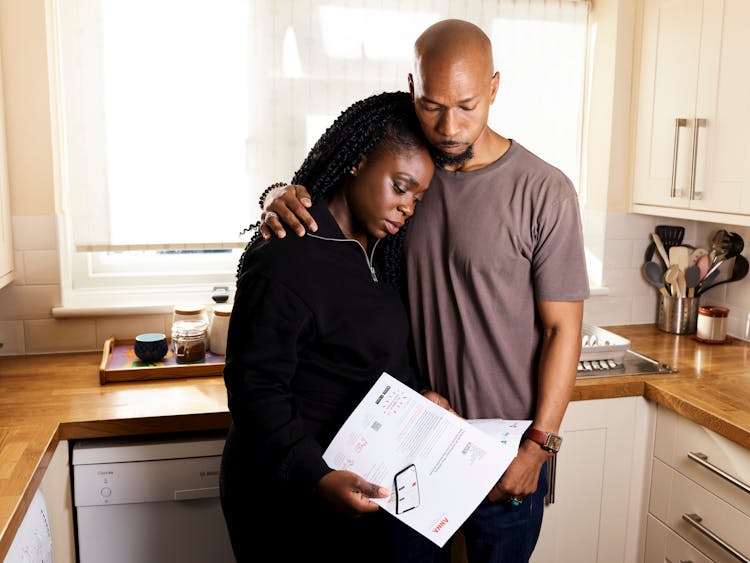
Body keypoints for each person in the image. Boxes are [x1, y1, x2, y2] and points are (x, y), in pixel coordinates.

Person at [259, 19, 589, 563]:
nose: (449, 126)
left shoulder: (545, 191)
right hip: (407, 448)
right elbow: (329, 199)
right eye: (433, 105)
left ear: (495, 90)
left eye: (467, 105)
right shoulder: (405, 173)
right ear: (413, 88)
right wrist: (281, 194)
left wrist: (540, 445)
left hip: (506, 456)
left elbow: (562, 330)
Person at [219, 91, 435, 563]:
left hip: (353, 482)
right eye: (400, 187)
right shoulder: (287, 249)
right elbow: (256, 390)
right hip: (286, 495)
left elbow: (367, 352)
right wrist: (314, 475)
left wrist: (421, 400)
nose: (408, 208)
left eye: (417, 197)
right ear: (357, 162)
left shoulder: (381, 249)